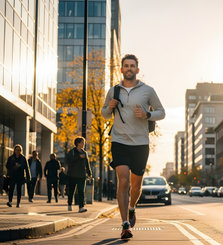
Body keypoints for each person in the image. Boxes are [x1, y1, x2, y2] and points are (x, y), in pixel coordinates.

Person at [101, 54, 165, 239]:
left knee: (136, 186)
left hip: (140, 143)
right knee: (123, 181)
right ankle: (125, 225)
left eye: (132, 66)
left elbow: (162, 112)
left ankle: (132, 207)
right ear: (121, 69)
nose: (129, 68)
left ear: (137, 69)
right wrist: (109, 107)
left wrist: (147, 114)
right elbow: (105, 114)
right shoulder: (114, 91)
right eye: (126, 66)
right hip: (119, 141)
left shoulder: (148, 91)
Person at [66, 137, 92, 213]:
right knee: (71, 191)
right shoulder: (72, 152)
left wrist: (89, 173)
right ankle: (69, 204)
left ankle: (81, 207)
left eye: (83, 142)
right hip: (72, 175)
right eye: (82, 142)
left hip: (82, 175)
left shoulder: (85, 153)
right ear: (78, 143)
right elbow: (69, 161)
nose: (83, 144)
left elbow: (87, 164)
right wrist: (78, 157)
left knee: (81, 191)